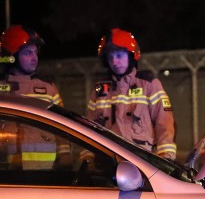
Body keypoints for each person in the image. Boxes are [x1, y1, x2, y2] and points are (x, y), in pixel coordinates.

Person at [87, 28, 176, 160]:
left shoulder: (149, 85)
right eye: (110, 57)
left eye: (119, 55)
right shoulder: (100, 90)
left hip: (142, 163)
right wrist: (87, 157)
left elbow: (164, 122)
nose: (115, 62)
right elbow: (89, 127)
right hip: (107, 162)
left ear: (131, 55)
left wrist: (166, 155)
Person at [0, 25, 69, 169]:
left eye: (35, 52)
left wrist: (65, 155)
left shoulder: (48, 88)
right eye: (27, 53)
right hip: (9, 175)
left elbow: (63, 126)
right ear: (11, 56)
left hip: (46, 172)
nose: (34, 58)